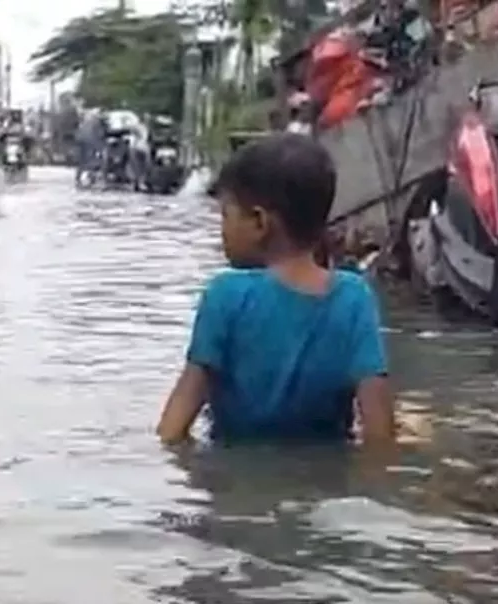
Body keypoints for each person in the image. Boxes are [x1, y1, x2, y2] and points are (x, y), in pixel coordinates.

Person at [156, 133, 395, 447]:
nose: (222, 230)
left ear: (259, 222)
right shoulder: (354, 298)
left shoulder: (225, 295)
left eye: (225, 215)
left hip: (235, 486)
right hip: (324, 486)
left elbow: (173, 429)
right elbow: (379, 435)